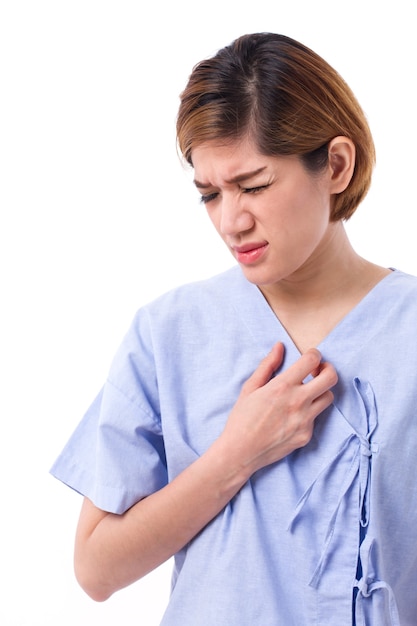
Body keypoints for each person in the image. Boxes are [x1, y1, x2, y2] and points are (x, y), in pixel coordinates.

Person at [50, 32, 417, 625]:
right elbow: (96, 569)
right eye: (209, 195)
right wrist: (236, 454)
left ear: (337, 165)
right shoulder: (169, 333)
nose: (232, 220)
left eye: (254, 185)